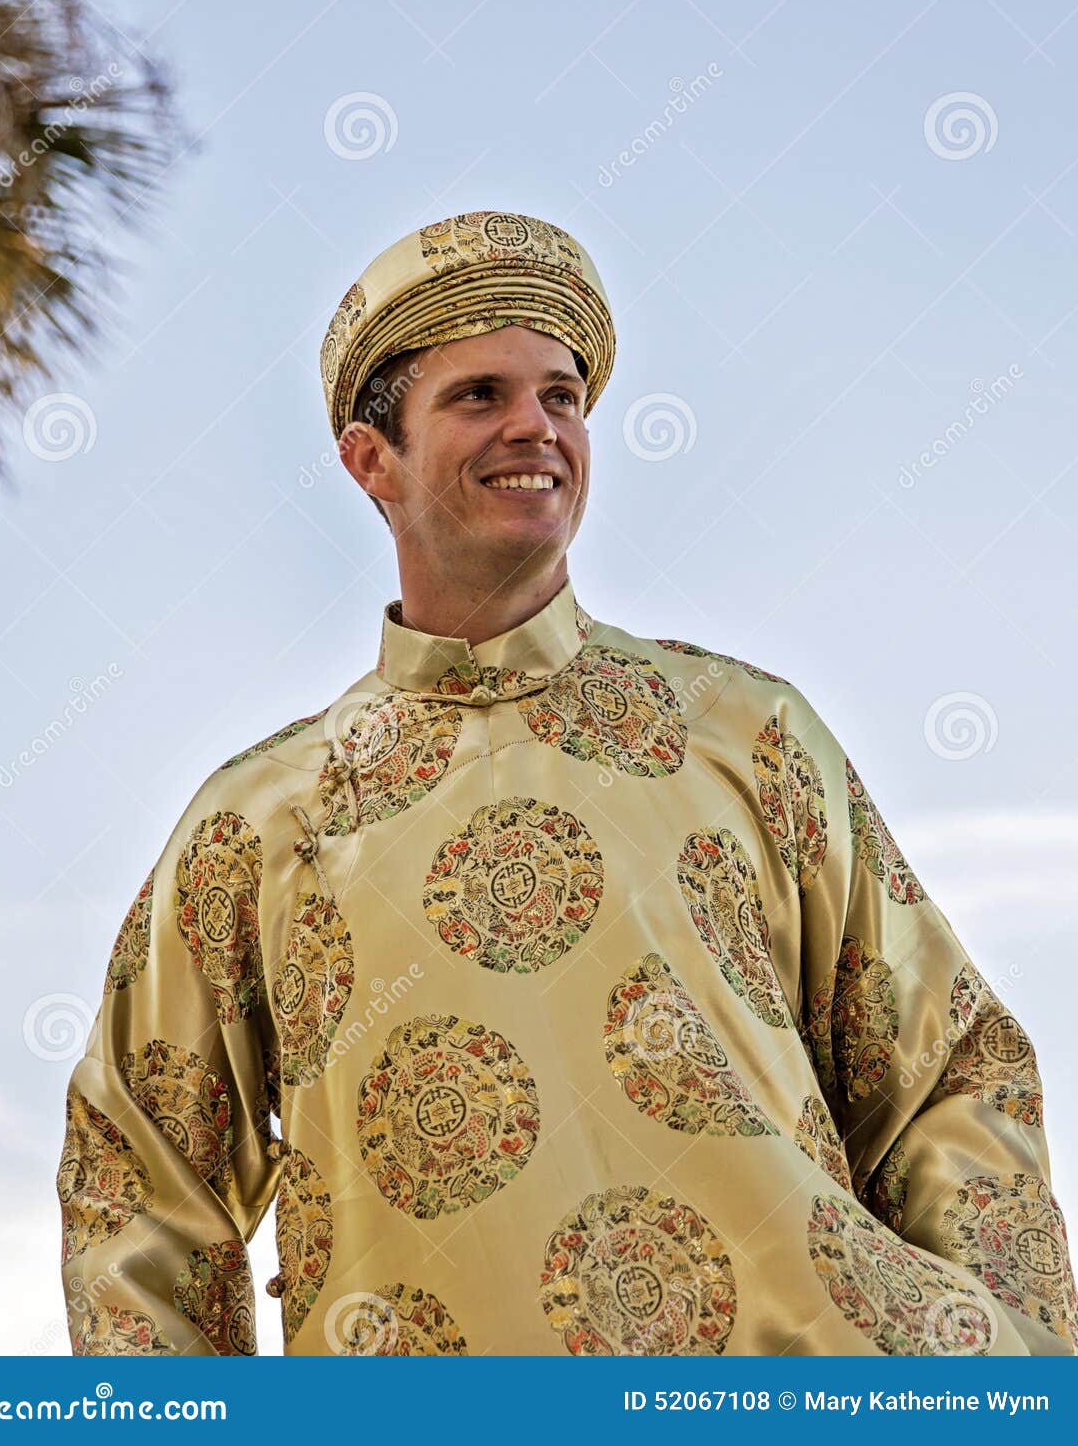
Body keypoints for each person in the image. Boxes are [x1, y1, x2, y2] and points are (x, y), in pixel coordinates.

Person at [58, 208, 1076, 1357]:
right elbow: (137, 1183)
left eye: (561, 396)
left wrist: (1016, 1366)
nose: (533, 427)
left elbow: (943, 1068)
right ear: (368, 457)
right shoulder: (260, 818)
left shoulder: (748, 733)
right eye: (479, 394)